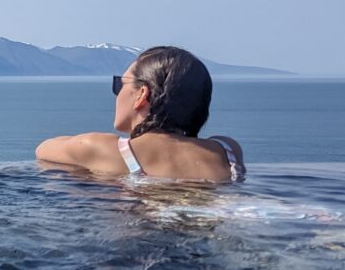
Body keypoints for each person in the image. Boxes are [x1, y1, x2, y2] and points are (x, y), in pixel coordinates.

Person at [36, 46, 245, 182]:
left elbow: (43, 149)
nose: (117, 93)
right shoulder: (227, 151)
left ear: (142, 94)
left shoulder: (106, 150)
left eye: (120, 84)